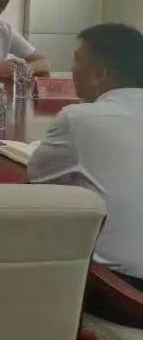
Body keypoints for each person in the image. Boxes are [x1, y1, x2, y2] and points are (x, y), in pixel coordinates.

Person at [30, 23, 143, 296]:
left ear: (101, 73)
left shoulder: (80, 119)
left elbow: (36, 177)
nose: (72, 69)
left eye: (77, 60)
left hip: (120, 287)